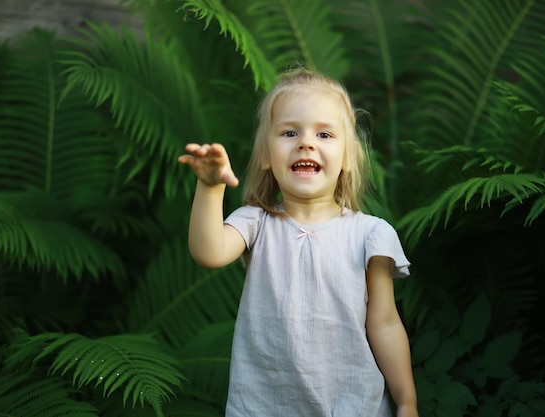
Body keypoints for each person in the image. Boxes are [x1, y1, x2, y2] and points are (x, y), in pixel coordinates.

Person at [178, 68, 418, 417]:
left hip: (352, 405)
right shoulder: (255, 222)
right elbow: (208, 252)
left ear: (348, 157)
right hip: (264, 406)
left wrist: (406, 401)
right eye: (290, 132)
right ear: (265, 155)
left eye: (324, 133)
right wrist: (210, 188)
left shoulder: (370, 234)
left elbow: (384, 323)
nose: (306, 142)